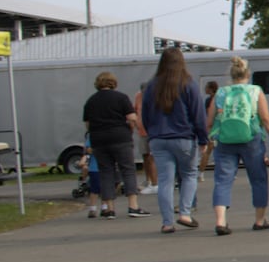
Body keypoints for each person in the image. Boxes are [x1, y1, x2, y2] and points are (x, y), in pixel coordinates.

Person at [139, 47, 210, 233]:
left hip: (158, 139)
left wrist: (151, 133)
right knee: (188, 175)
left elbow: (145, 115)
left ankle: (167, 222)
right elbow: (198, 114)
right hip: (184, 137)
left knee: (165, 181)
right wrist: (203, 138)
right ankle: (185, 213)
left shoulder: (151, 86)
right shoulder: (188, 84)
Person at [208, 55, 269, 234]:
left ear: (231, 74)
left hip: (224, 140)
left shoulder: (221, 93)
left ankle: (221, 221)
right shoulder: (255, 91)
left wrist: (209, 137)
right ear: (248, 74)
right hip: (251, 138)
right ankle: (259, 220)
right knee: (258, 179)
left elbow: (209, 121)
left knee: (223, 180)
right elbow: (266, 119)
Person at [82, 71, 148, 218]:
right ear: (113, 83)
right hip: (120, 137)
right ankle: (133, 206)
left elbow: (88, 124)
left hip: (99, 140)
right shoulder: (121, 97)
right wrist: (129, 129)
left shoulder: (90, 101)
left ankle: (109, 208)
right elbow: (132, 118)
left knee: (106, 172)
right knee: (127, 170)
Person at [198, 81, 219, 180]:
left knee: (207, 152)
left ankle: (201, 174)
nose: (205, 89)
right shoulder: (221, 98)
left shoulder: (209, 100)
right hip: (220, 128)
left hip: (212, 129)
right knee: (220, 152)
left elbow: (208, 115)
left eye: (206, 87)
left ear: (210, 89)